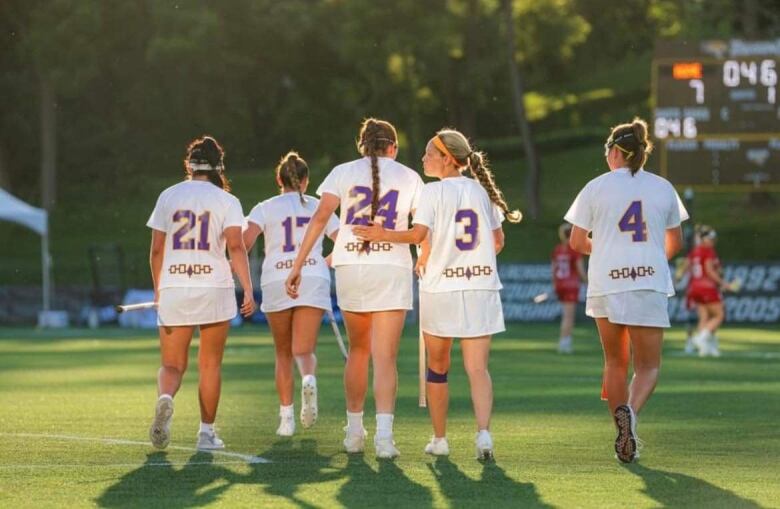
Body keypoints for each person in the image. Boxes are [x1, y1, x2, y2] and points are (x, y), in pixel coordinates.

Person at [354, 128, 521, 460]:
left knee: (438, 367)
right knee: (477, 368)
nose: (424, 158)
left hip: (440, 288)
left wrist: (381, 234)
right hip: (481, 287)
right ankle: (484, 436)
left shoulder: (431, 193)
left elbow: (418, 235)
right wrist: (474, 261)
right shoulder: (483, 192)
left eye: (430, 153)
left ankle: (440, 439)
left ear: (446, 158)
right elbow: (498, 241)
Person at [285, 118, 424, 458]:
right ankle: (385, 439)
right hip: (392, 267)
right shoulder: (410, 176)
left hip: (351, 266)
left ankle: (354, 432)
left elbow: (319, 218)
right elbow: (421, 232)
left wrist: (298, 264)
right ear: (393, 147)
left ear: (361, 146)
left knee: (359, 351)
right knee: (386, 356)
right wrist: (421, 258)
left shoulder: (342, 171)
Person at [564, 118, 688, 463]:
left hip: (607, 282)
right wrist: (645, 258)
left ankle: (623, 430)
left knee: (614, 362)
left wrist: (606, 250)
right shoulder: (663, 187)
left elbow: (576, 242)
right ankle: (630, 416)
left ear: (616, 152)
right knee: (648, 366)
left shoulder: (595, 187)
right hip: (648, 282)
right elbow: (675, 242)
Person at [147, 135, 255, 451]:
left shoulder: (168, 195)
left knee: (171, 365)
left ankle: (165, 398)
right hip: (214, 288)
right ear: (218, 165)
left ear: (189, 165)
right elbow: (236, 246)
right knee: (209, 364)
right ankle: (206, 434)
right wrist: (247, 289)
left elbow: (156, 251)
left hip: (175, 286)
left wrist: (159, 290)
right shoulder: (227, 201)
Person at [243, 151, 339, 436]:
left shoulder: (265, 207)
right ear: (306, 181)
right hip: (312, 278)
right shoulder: (320, 206)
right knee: (304, 350)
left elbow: (244, 242)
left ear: (278, 179)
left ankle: (286, 418)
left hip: (276, 279)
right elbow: (343, 240)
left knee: (283, 352)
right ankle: (308, 377)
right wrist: (324, 263)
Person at [685, 225, 726, 357]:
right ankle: (702, 338)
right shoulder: (708, 251)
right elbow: (709, 270)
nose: (713, 241)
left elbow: (686, 268)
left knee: (704, 316)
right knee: (719, 315)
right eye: (711, 239)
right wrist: (723, 283)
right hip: (706, 287)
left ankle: (706, 348)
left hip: (694, 287)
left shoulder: (694, 252)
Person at [551, 223, 587, 354]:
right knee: (569, 316)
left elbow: (553, 269)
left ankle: (564, 341)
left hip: (560, 283)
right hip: (571, 285)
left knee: (566, 315)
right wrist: (588, 282)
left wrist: (555, 284)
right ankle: (565, 342)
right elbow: (580, 270)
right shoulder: (574, 250)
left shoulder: (558, 249)